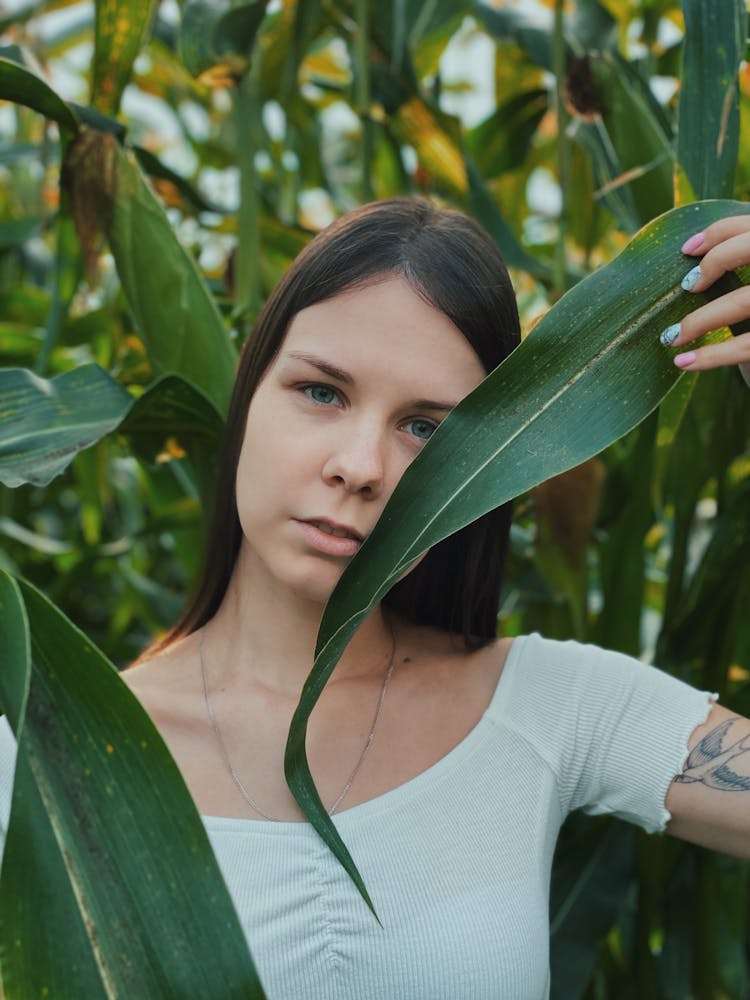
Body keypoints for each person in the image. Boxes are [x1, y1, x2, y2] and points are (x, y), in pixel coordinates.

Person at [6, 199, 750, 998]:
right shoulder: (40, 761)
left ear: (490, 467)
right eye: (322, 392)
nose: (360, 466)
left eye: (427, 429)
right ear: (248, 396)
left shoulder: (550, 706)